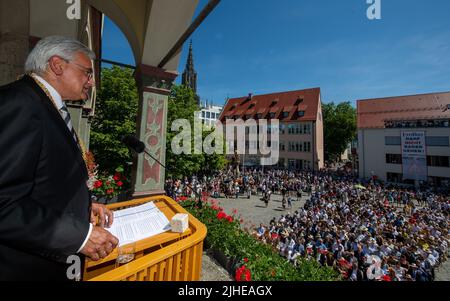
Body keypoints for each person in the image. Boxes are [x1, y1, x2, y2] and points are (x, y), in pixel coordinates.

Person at [0, 36, 119, 280]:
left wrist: (83, 206)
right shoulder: (21, 104)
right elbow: (4, 202)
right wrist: (79, 236)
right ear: (57, 65)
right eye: (87, 72)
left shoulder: (46, 106)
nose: (92, 81)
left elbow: (41, 179)